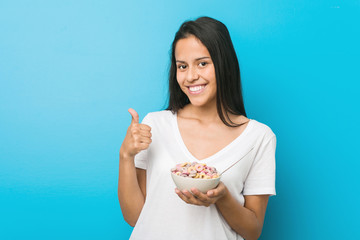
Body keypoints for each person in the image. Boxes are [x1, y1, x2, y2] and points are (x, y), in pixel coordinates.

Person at [118, 16, 276, 240]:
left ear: (224, 64)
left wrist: (222, 198)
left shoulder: (259, 137)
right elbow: (135, 217)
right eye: (182, 66)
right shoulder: (155, 124)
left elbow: (253, 231)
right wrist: (125, 155)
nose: (191, 76)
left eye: (202, 63)